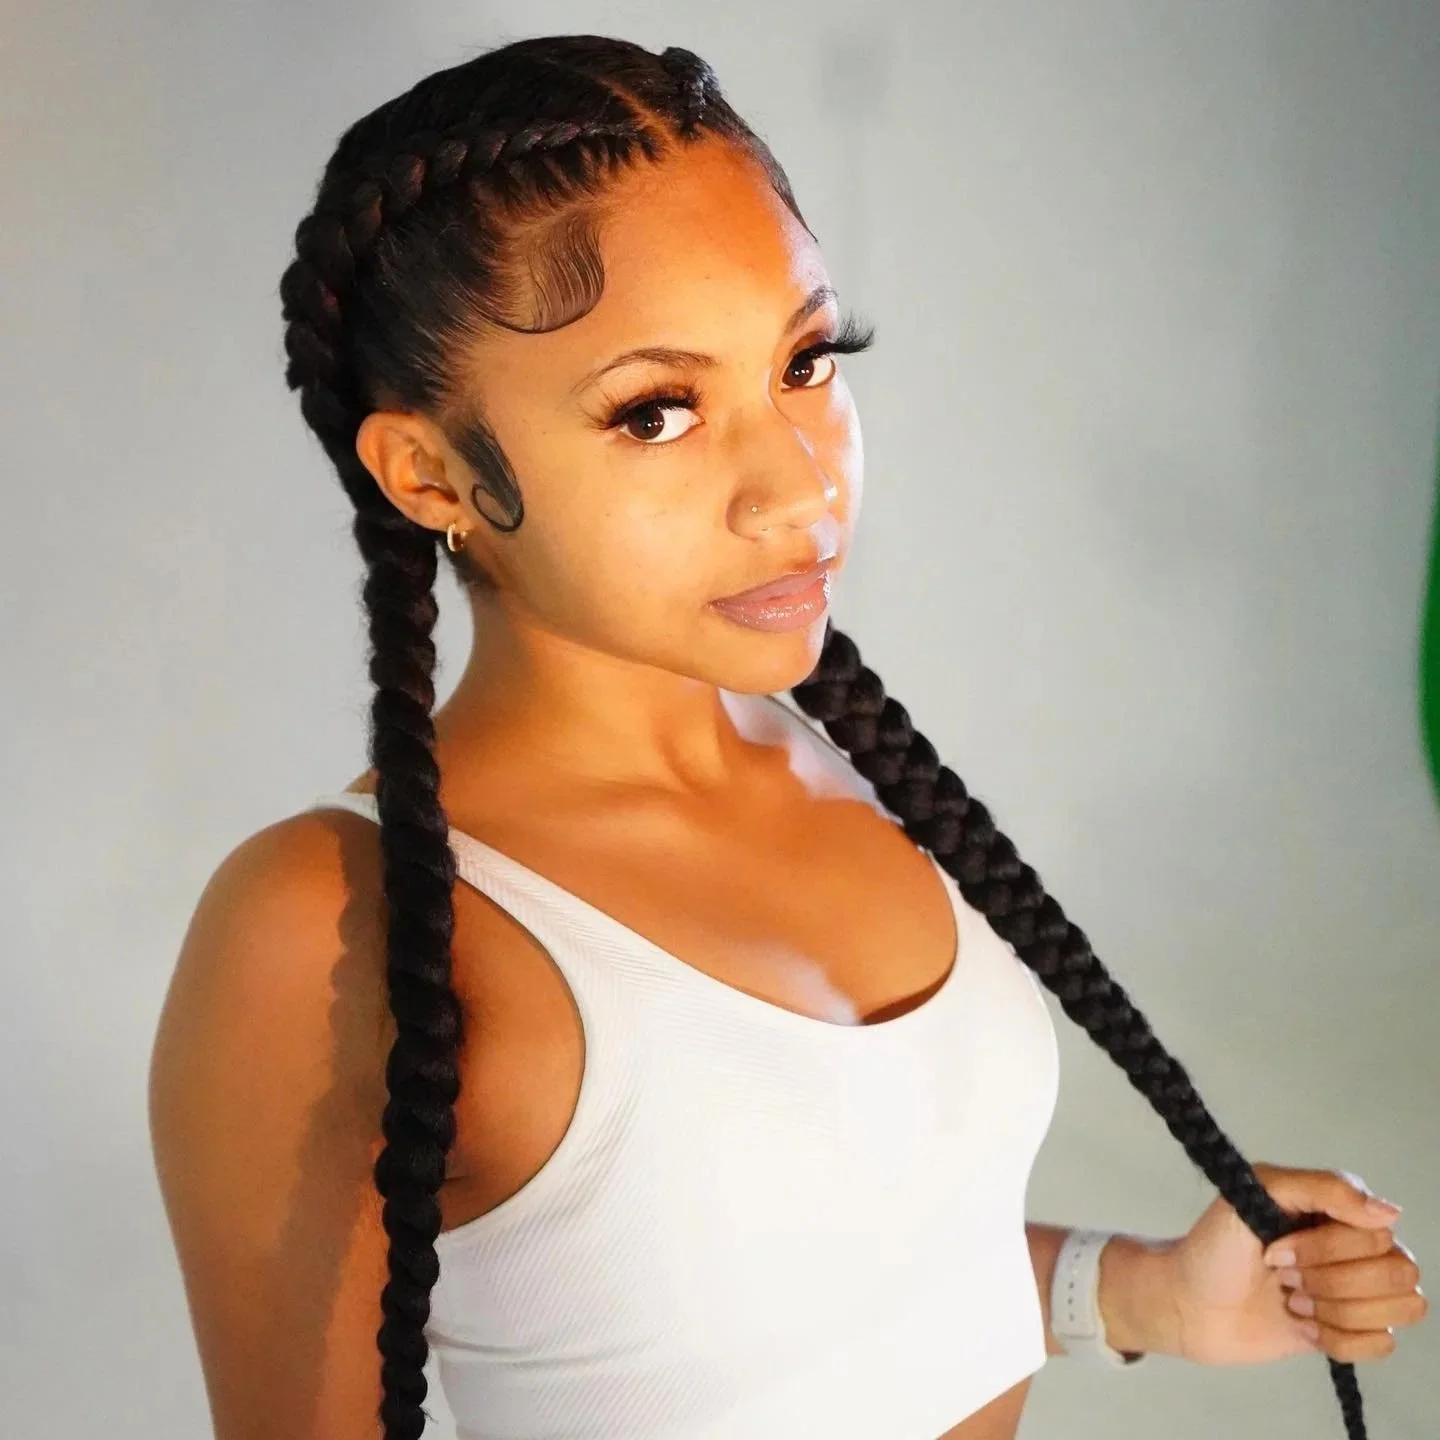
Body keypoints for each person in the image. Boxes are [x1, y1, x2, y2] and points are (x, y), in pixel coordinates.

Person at [146, 34, 1426, 1440]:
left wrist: (1147, 1295)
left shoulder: (851, 781)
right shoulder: (329, 928)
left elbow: (821, 1288)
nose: (798, 485)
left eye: (808, 361)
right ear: (430, 474)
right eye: (656, 413)